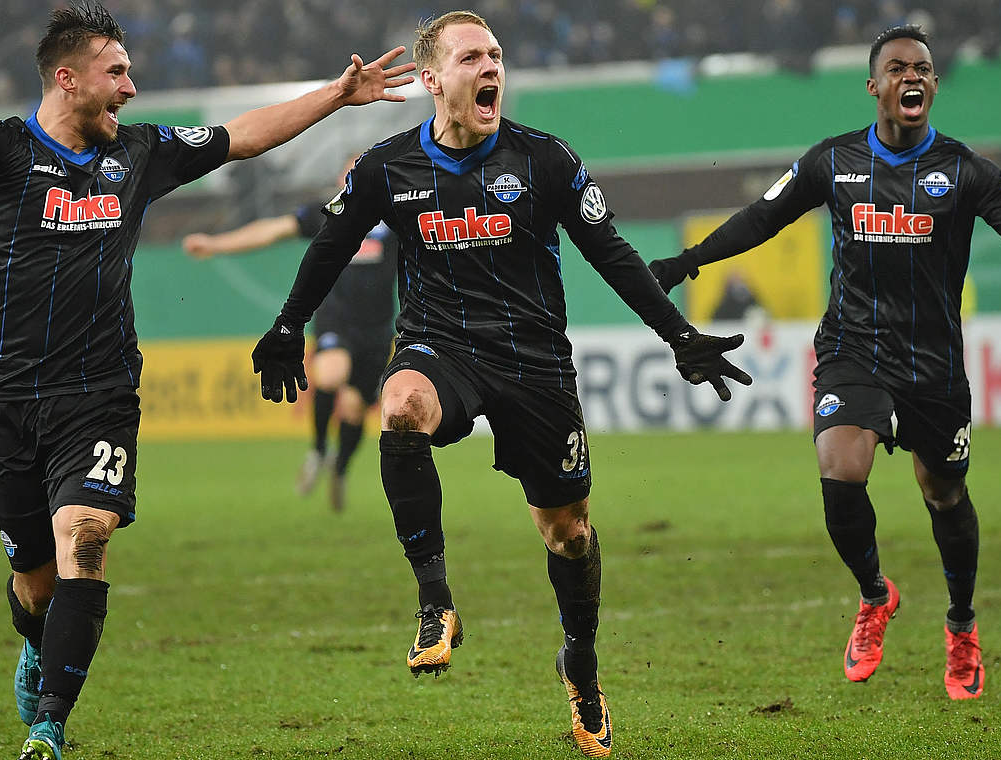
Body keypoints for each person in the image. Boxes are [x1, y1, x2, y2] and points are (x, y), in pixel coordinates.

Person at [0, 4, 414, 758]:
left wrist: (335, 94)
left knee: (85, 537)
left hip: (99, 396)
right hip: (1, 400)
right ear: (68, 78)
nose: (132, 86)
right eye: (117, 71)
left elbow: (243, 138)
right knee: (36, 585)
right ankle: (37, 641)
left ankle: (48, 728)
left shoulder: (141, 154)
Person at [250, 11, 750, 757]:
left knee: (568, 534)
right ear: (431, 80)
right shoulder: (387, 168)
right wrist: (289, 326)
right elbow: (329, 248)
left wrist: (679, 335)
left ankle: (579, 659)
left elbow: (610, 253)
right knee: (400, 408)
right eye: (471, 57)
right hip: (440, 348)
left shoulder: (545, 161)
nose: (491, 68)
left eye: (497, 55)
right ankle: (435, 602)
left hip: (535, 363)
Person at [648, 25, 1001, 701]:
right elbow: (763, 217)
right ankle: (876, 596)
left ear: (934, 86)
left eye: (925, 70)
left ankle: (962, 624)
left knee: (943, 493)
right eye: (899, 68)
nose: (914, 77)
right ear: (875, 85)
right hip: (853, 349)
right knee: (839, 470)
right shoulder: (835, 161)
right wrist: (686, 262)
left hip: (934, 364)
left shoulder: (964, 169)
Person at [183, 158, 398, 512]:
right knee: (330, 373)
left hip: (376, 330)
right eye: (349, 174)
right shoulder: (329, 213)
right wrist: (216, 244)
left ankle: (340, 469)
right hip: (335, 320)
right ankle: (317, 450)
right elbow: (271, 230)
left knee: (356, 410)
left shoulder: (393, 219)